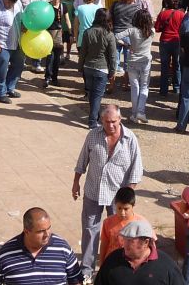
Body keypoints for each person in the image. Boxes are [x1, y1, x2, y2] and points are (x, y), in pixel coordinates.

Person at [73, 104, 144, 283]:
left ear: (120, 120)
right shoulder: (93, 135)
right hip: (93, 192)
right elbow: (82, 161)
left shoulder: (130, 139)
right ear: (101, 120)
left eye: (114, 121)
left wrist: (129, 195)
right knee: (90, 231)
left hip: (117, 197)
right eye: (107, 122)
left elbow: (136, 169)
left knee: (118, 233)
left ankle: (113, 266)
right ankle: (87, 269)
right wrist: (75, 182)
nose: (111, 125)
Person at [0, 207, 83, 285]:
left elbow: (76, 281)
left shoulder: (63, 249)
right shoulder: (4, 255)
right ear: (27, 231)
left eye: (48, 228)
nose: (47, 234)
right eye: (40, 231)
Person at [78, 8, 117, 130]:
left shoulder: (87, 32)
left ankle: (93, 116)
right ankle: (92, 121)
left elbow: (83, 52)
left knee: (91, 94)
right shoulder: (109, 35)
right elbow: (112, 55)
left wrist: (80, 67)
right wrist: (112, 71)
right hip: (102, 68)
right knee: (97, 96)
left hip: (88, 67)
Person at [115, 10, 154, 123]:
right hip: (146, 61)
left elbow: (116, 36)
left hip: (132, 61)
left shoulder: (131, 31)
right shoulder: (152, 31)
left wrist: (127, 44)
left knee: (135, 87)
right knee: (144, 86)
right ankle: (141, 112)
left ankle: (134, 113)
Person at [98, 187, 151, 264]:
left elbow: (150, 245)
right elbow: (104, 243)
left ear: (133, 206)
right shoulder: (107, 222)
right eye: (119, 208)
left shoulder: (142, 223)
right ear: (115, 204)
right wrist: (101, 262)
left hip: (133, 263)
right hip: (112, 262)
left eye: (126, 209)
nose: (122, 212)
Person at [44, 0, 69, 88]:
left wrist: (70, 32)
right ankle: (47, 77)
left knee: (57, 58)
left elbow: (67, 20)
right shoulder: (47, 6)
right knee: (50, 57)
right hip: (49, 33)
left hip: (59, 33)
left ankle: (55, 78)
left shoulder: (63, 7)